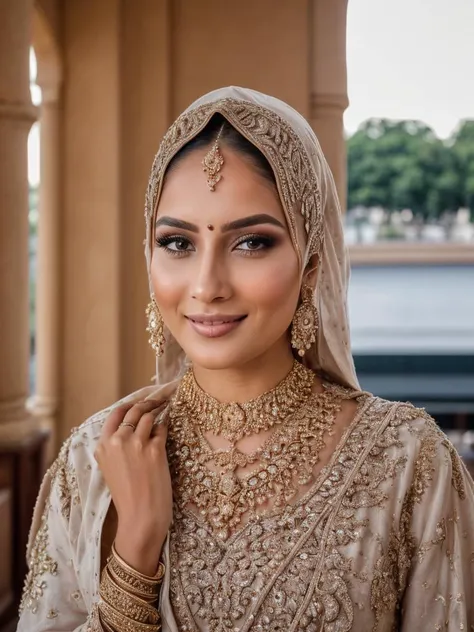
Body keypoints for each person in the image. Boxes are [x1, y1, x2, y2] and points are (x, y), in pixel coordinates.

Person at [17, 86, 474, 632]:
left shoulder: (408, 462)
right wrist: (134, 552)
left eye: (252, 242)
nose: (207, 287)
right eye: (178, 243)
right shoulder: (92, 461)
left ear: (309, 261)